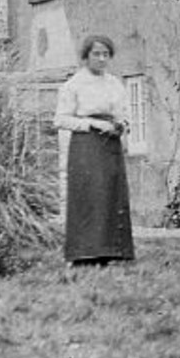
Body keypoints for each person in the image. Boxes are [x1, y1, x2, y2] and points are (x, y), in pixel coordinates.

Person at [54, 34, 135, 266]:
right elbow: (60, 119)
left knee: (110, 195)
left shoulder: (114, 83)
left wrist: (121, 126)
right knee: (88, 197)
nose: (101, 59)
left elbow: (124, 114)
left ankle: (109, 251)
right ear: (85, 57)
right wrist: (91, 124)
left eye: (106, 54)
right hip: (86, 146)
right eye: (96, 54)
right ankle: (83, 253)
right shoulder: (74, 85)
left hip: (110, 145)